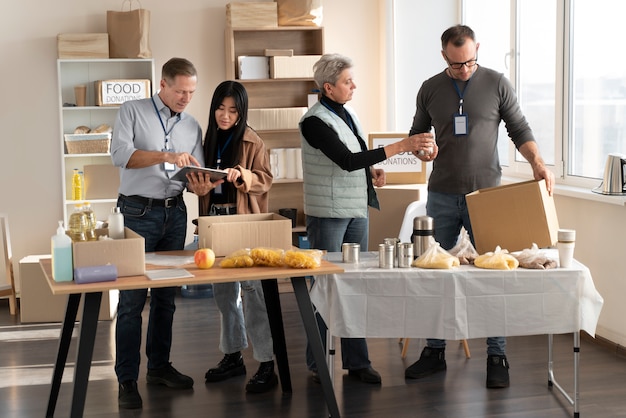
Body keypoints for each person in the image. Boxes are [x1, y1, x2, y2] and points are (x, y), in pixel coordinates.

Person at [405, 24, 555, 388]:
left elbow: (519, 128)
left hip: (486, 196)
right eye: (457, 65)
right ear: (444, 57)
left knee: (496, 274)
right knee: (433, 272)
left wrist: (537, 162)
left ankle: (497, 354)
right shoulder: (429, 88)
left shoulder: (497, 83)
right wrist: (424, 147)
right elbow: (417, 136)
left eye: (471, 61)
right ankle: (434, 350)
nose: (465, 69)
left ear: (477, 51)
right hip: (440, 193)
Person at [299, 53, 424, 384]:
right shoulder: (313, 121)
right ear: (328, 87)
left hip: (355, 208)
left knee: (355, 286)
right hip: (328, 214)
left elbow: (356, 159)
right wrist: (401, 147)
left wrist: (373, 170)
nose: (354, 85)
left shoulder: (347, 113)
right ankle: (317, 363)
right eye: (347, 81)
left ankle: (357, 363)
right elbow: (345, 159)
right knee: (324, 288)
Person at [110, 57, 213, 409]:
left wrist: (201, 187)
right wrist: (166, 154)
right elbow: (121, 155)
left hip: (175, 212)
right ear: (163, 85)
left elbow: (195, 172)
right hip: (136, 212)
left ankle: (159, 367)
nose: (186, 98)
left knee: (167, 299)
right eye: (181, 91)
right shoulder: (132, 111)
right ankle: (126, 379)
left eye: (192, 92)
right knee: (131, 302)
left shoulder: (193, 125)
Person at [190, 80, 277, 393]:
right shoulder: (207, 140)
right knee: (224, 293)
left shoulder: (253, 141)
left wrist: (244, 176)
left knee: (253, 293)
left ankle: (267, 363)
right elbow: (197, 183)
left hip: (243, 221)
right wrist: (197, 187)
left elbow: (266, 180)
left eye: (232, 110)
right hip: (214, 221)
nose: (225, 116)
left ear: (242, 112)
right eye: (220, 108)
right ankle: (233, 356)